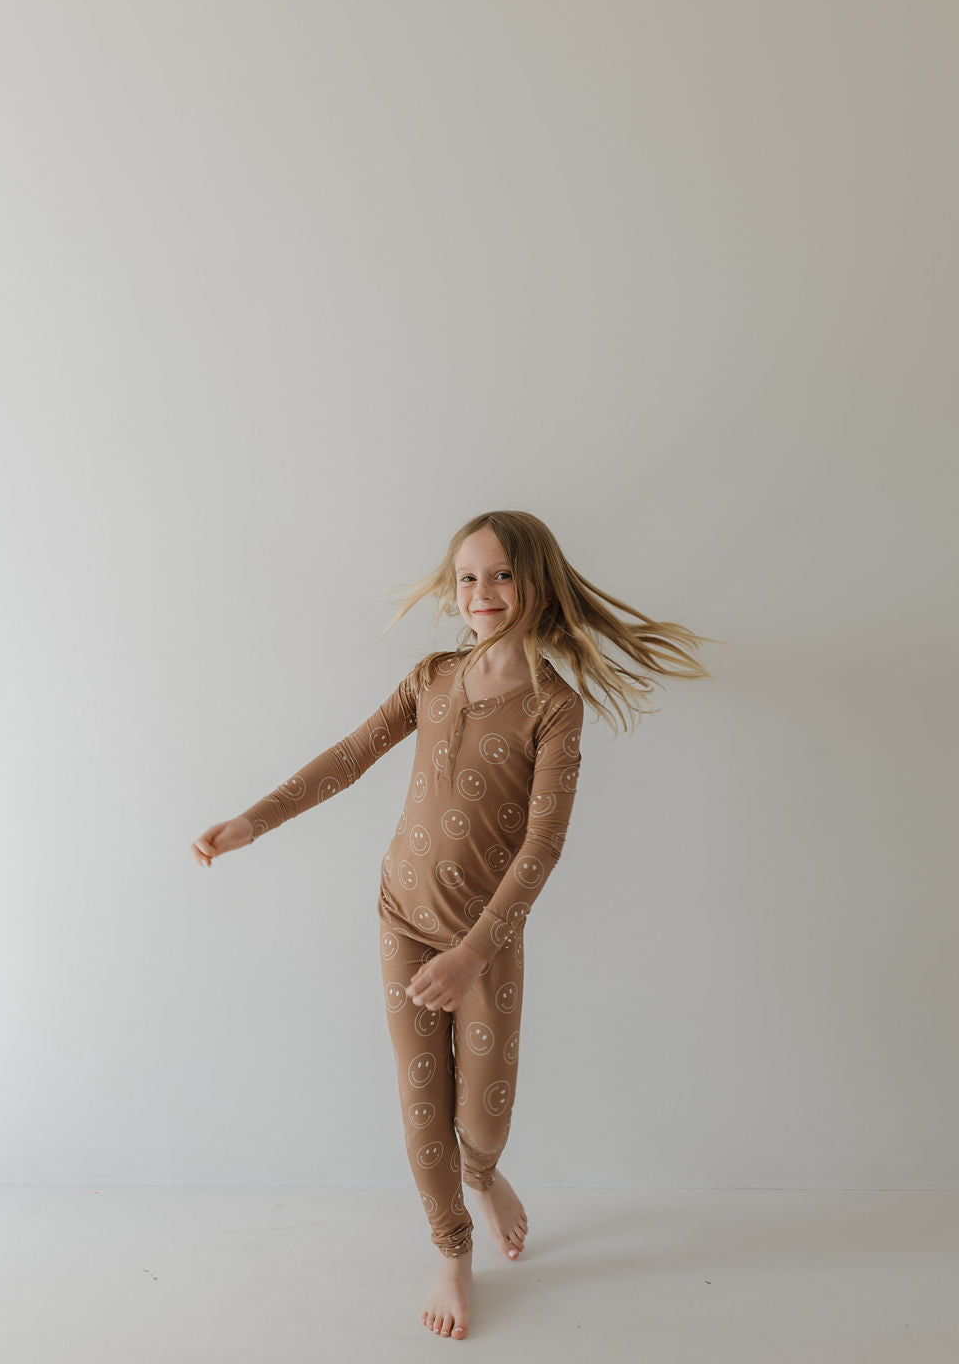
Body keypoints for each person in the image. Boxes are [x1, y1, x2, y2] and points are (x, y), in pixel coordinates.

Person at [190, 508, 717, 1340]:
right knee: (420, 1105)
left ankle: (484, 1173)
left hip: (484, 940)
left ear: (538, 583)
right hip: (402, 917)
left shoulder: (554, 707)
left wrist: (473, 953)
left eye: (502, 574)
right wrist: (255, 820)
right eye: (468, 577)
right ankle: (452, 1250)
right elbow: (351, 756)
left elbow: (542, 847)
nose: (483, 592)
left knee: (483, 1122)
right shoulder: (432, 676)